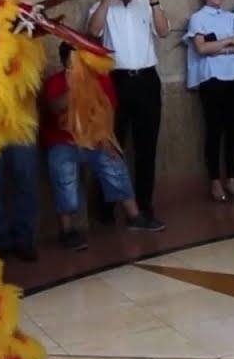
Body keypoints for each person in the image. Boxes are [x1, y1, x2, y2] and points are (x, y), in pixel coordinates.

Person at [42, 43, 158, 249]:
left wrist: (105, 138)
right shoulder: (55, 82)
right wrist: (74, 88)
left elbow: (109, 110)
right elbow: (54, 108)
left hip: (95, 138)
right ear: (64, 62)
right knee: (64, 172)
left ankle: (134, 216)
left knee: (114, 163)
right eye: (73, 61)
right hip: (63, 141)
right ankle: (67, 230)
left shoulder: (102, 80)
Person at [86, 0, 168, 230]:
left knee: (147, 147)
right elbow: (93, 30)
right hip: (117, 80)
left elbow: (164, 30)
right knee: (113, 146)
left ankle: (144, 207)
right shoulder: (101, 7)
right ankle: (106, 208)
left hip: (147, 79)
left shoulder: (145, 5)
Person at [186, 0, 234, 201]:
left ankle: (231, 179)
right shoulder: (198, 18)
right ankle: (215, 182)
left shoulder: (231, 17)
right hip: (212, 80)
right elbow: (201, 49)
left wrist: (222, 47)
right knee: (215, 131)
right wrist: (229, 41)